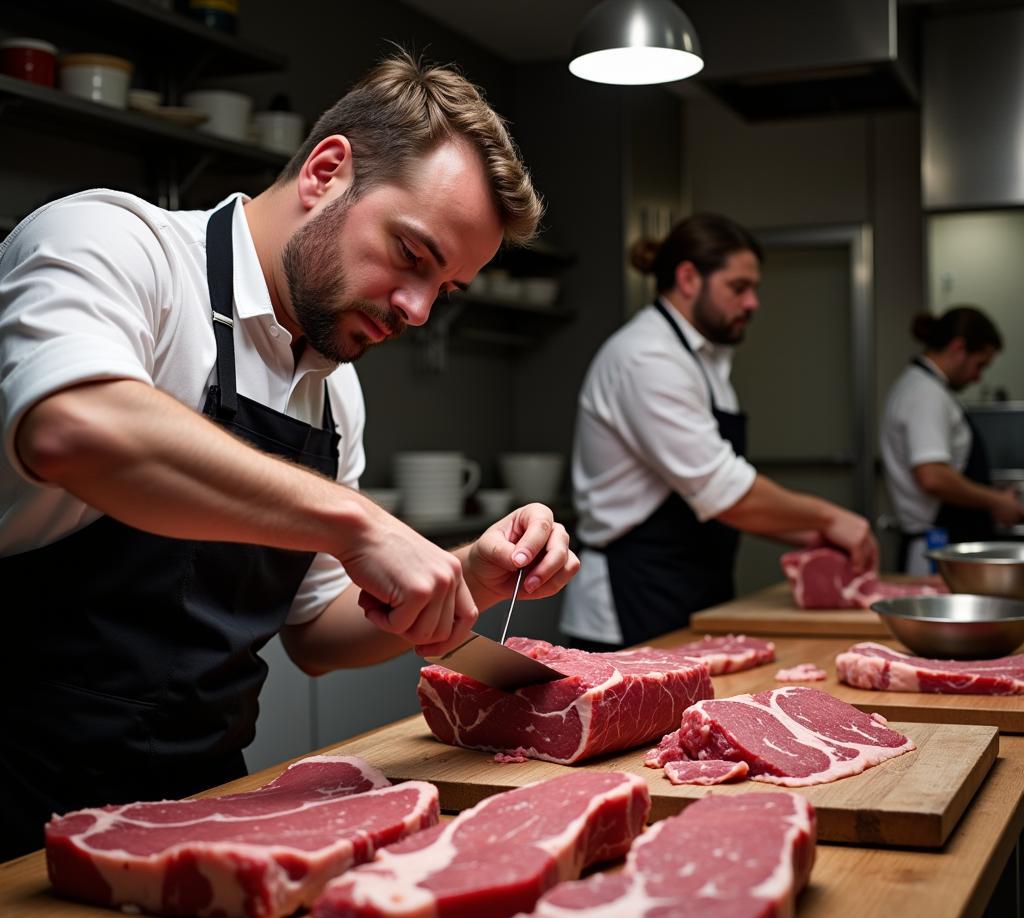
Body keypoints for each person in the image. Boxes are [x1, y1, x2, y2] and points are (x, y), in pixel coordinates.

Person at [0, 51, 578, 860]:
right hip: (22, 799)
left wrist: (472, 574)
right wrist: (356, 522)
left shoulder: (333, 392)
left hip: (204, 800)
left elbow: (316, 630)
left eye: (443, 290)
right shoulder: (116, 243)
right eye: (412, 255)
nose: (416, 311)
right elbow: (73, 426)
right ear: (327, 171)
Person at [559, 212, 877, 650]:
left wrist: (817, 536)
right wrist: (831, 518)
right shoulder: (647, 358)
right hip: (633, 597)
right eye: (739, 288)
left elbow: (722, 498)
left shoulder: (702, 360)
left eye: (754, 289)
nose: (753, 303)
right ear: (688, 278)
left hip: (689, 587)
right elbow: (724, 491)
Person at [881, 306, 1024, 574]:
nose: (978, 376)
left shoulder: (925, 389)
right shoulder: (925, 394)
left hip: (943, 546)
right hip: (936, 550)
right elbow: (932, 475)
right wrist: (996, 501)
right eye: (979, 364)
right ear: (958, 349)